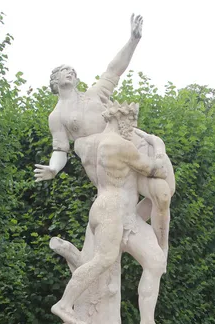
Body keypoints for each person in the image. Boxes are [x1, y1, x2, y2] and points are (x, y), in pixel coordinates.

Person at [34, 14, 175, 257]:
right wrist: (53, 169)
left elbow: (114, 69)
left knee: (162, 195)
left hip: (134, 149)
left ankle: (161, 248)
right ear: (55, 81)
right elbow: (60, 149)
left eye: (72, 70)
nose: (70, 72)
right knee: (121, 210)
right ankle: (123, 245)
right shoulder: (56, 116)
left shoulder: (93, 94)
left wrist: (133, 40)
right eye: (64, 71)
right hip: (108, 167)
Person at [51, 101, 168, 324]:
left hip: (122, 213)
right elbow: (157, 169)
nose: (133, 125)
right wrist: (158, 146)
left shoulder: (93, 143)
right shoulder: (119, 145)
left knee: (155, 261)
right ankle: (64, 305)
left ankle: (147, 323)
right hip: (111, 210)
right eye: (130, 120)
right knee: (104, 259)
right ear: (117, 119)